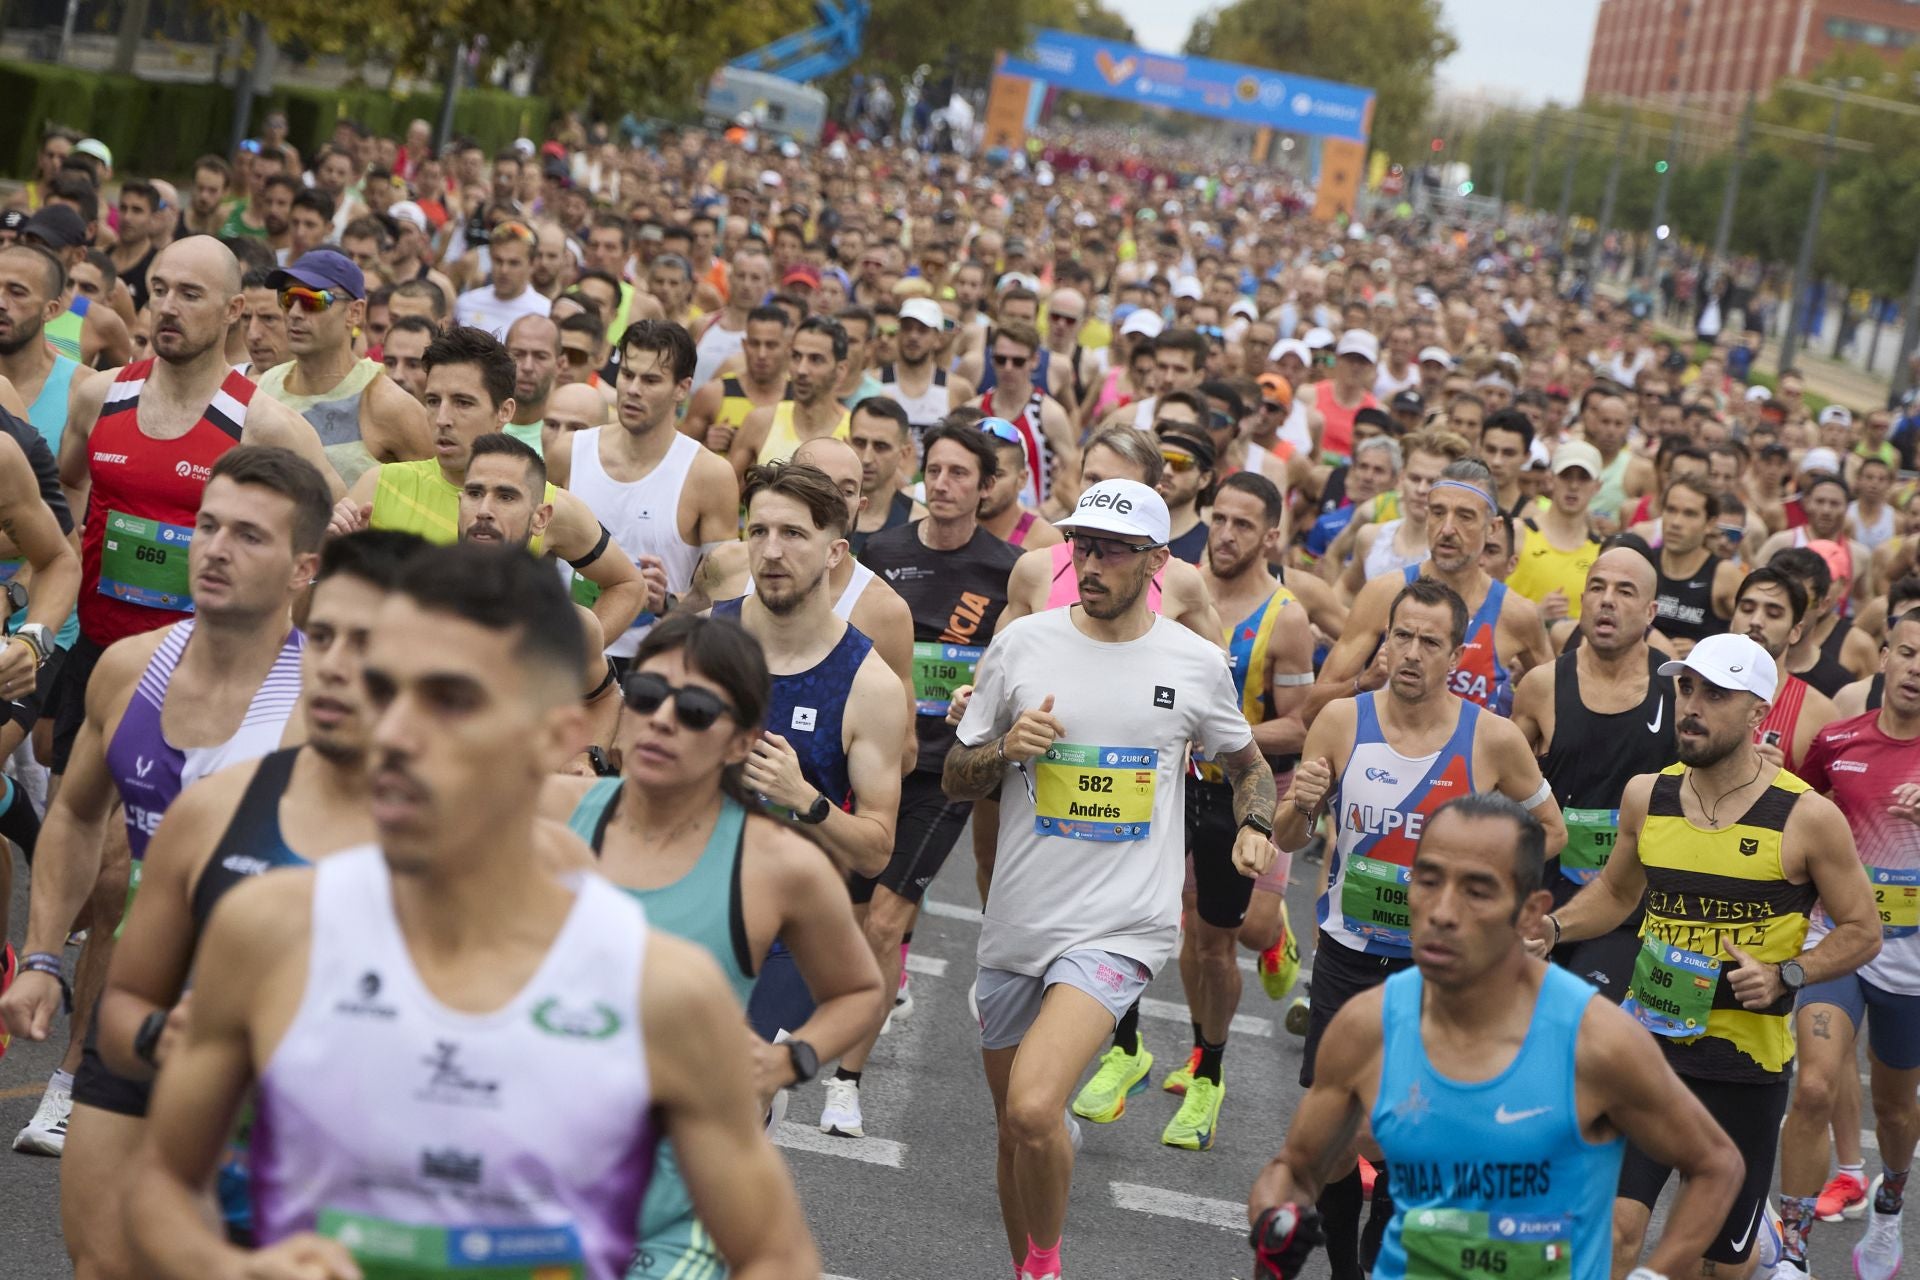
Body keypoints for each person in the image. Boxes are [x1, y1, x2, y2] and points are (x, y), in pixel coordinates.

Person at [121, 543, 820, 1280]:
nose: (393, 732)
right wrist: (230, 1269)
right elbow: (162, 1183)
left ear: (556, 738)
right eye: (384, 688)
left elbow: (775, 1254)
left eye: (450, 699)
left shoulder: (659, 989)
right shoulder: (269, 930)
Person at [0, 448, 323, 1279]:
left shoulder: (327, 701)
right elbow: (74, 815)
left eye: (249, 536)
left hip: (277, 1037)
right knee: (101, 1259)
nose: (214, 548)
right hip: (135, 1013)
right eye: (208, 525)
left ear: (303, 568)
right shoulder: (128, 668)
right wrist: (41, 958)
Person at [944, 477, 1278, 1280]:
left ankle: (1045, 1267)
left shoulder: (1196, 664)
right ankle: (1023, 1263)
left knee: (1033, 1106)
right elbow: (957, 773)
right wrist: (1004, 750)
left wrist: (1256, 826)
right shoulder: (1022, 645)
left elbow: (1250, 768)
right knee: (1014, 1128)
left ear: (1157, 562)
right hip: (1020, 921)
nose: (1087, 563)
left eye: (1110, 550)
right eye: (1080, 545)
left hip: (1122, 927)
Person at [1245, 792, 1747, 1280]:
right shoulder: (1369, 1026)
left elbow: (1716, 1164)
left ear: (1531, 912)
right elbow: (1296, 1170)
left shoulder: (1596, 1041)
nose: (1442, 911)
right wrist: (1274, 1220)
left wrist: (1655, 1275)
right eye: (1428, 880)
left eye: (1477, 891)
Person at [542, 613, 884, 1280]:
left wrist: (790, 1061)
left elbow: (860, 989)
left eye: (695, 709)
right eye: (644, 697)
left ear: (741, 742)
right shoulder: (551, 811)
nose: (662, 719)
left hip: (676, 1215)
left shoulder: (778, 865)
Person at [1534, 632, 1881, 1280]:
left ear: (1757, 714)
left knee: (1716, 1263)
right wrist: (1552, 928)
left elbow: (1863, 929)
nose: (1691, 705)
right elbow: (1616, 891)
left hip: (1743, 1067)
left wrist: (1789, 974)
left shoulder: (1805, 818)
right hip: (1650, 1051)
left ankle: (1761, 1243)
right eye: (1685, 687)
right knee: (1619, 1227)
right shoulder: (1648, 796)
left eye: (1714, 693)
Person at [1273, 576, 1567, 1280]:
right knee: (1336, 1133)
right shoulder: (1342, 721)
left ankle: (1381, 1259)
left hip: (1439, 966)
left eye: (1429, 642)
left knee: (1410, 1134)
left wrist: (1477, 882)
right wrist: (1299, 807)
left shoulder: (1490, 739)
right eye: (1399, 635)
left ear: (1458, 654)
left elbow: (1551, 832)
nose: (1409, 652)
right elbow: (1289, 836)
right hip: (1348, 954)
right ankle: (1346, 1266)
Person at [1075, 470, 1313, 1146]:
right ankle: (1126, 1050)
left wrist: (1210, 730)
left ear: (1270, 536)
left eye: (1245, 524)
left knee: (1217, 942)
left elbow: (1296, 727)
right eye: (1220, 520)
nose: (1228, 534)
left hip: (1239, 785)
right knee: (1132, 913)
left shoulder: (1285, 617)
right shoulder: (1169, 583)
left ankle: (1209, 1070)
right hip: (1166, 782)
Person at [823, 420, 1022, 1138]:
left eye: (959, 474)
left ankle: (846, 1082)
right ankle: (815, 1029)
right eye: (934, 470)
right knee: (843, 918)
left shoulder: (1007, 570)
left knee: (884, 922)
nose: (943, 485)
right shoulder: (882, 552)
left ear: (986, 486)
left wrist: (989, 708)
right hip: (870, 757)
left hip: (943, 771)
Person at [328, 324, 648, 643]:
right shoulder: (379, 485)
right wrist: (335, 551)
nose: (442, 418)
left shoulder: (543, 503)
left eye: (462, 402)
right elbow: (323, 602)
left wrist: (572, 666)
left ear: (504, 411)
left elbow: (628, 585)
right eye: (433, 400)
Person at [1769, 608, 1920, 1280]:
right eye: (1909, 653)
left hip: (1910, 961)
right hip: (1838, 940)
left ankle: (1889, 1200)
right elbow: (1798, 817)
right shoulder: (1837, 741)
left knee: (1894, 1109)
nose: (1917, 669)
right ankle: (1794, 1247)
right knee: (1815, 1086)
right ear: (1883, 655)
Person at [1511, 547, 1678, 1000]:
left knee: (1582, 1029)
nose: (1607, 600)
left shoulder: (1677, 691)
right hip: (1540, 898)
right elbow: (1500, 781)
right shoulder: (1542, 685)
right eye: (1598, 588)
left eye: (1625, 592)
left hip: (1628, 909)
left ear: (1650, 612)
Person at [546, 319, 740, 662]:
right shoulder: (568, 452)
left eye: (650, 380)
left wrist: (669, 602)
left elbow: (725, 597)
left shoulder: (709, 474)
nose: (633, 389)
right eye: (627, 374)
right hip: (567, 658)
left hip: (654, 667)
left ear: (682, 388)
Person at [1308, 458, 1553, 723]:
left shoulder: (1517, 614)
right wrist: (1363, 683)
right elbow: (1312, 711)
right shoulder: (1385, 592)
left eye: (1465, 516)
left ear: (1492, 528)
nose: (1447, 529)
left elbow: (1555, 713)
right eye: (1437, 512)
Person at [251, 248, 433, 484]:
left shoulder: (389, 405)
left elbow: (435, 500)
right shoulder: (261, 389)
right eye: (287, 298)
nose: (295, 312)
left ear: (354, 313)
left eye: (312, 300)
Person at [1730, 564, 1838, 775]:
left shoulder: (1820, 713)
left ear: (1795, 631)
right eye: (1747, 609)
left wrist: (1783, 781)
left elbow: (1829, 803)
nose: (1756, 621)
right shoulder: (1691, 687)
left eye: (1773, 613)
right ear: (1732, 618)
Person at [978, 319, 1078, 515]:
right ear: (991, 359)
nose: (1008, 367)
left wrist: (1044, 512)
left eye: (1018, 361)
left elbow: (1074, 476)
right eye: (1001, 359)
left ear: (1034, 361)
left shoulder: (1050, 414)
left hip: (1029, 527)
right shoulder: (975, 409)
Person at [729, 317, 853, 473]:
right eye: (796, 356)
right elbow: (728, 492)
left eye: (815, 359)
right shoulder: (760, 422)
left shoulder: (854, 434)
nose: (801, 370)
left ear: (841, 370)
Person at [0, 242, 85, 454]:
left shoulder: (82, 389)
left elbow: (78, 485)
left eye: (17, 292)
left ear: (51, 310)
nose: (1, 302)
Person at [1507, 441, 1603, 628]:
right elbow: (1486, 600)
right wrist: (1536, 614)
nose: (1574, 486)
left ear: (1597, 487)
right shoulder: (1519, 532)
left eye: (1583, 478)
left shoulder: (1601, 551)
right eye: (1566, 476)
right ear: (1550, 479)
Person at [681, 304, 789, 454]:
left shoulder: (800, 397)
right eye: (754, 344)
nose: (761, 354)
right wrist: (706, 445)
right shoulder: (713, 394)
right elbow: (678, 453)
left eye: (771, 345)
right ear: (744, 345)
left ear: (787, 347)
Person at [1653, 476, 1741, 656]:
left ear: (1709, 524)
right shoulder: (1644, 563)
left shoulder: (1724, 574)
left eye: (1689, 514)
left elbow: (1752, 638)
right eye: (1671, 510)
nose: (1676, 522)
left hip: (1696, 678)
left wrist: (1704, 650)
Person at [880, 296, 974, 449]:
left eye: (922, 330)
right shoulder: (874, 382)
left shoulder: (958, 389)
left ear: (937, 337)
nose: (913, 336)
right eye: (907, 328)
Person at [846, 396, 924, 555]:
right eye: (859, 443)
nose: (867, 458)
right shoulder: (819, 516)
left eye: (881, 446)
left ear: (904, 453)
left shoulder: (920, 526)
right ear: (846, 444)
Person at [452, 218, 551, 340]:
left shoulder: (544, 311)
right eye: (498, 261)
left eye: (514, 263)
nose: (504, 270)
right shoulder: (466, 303)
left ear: (532, 264)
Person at [692, 248, 774, 389]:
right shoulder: (702, 325)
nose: (746, 285)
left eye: (755, 278)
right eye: (741, 276)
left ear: (768, 285)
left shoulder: (773, 336)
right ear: (729, 279)